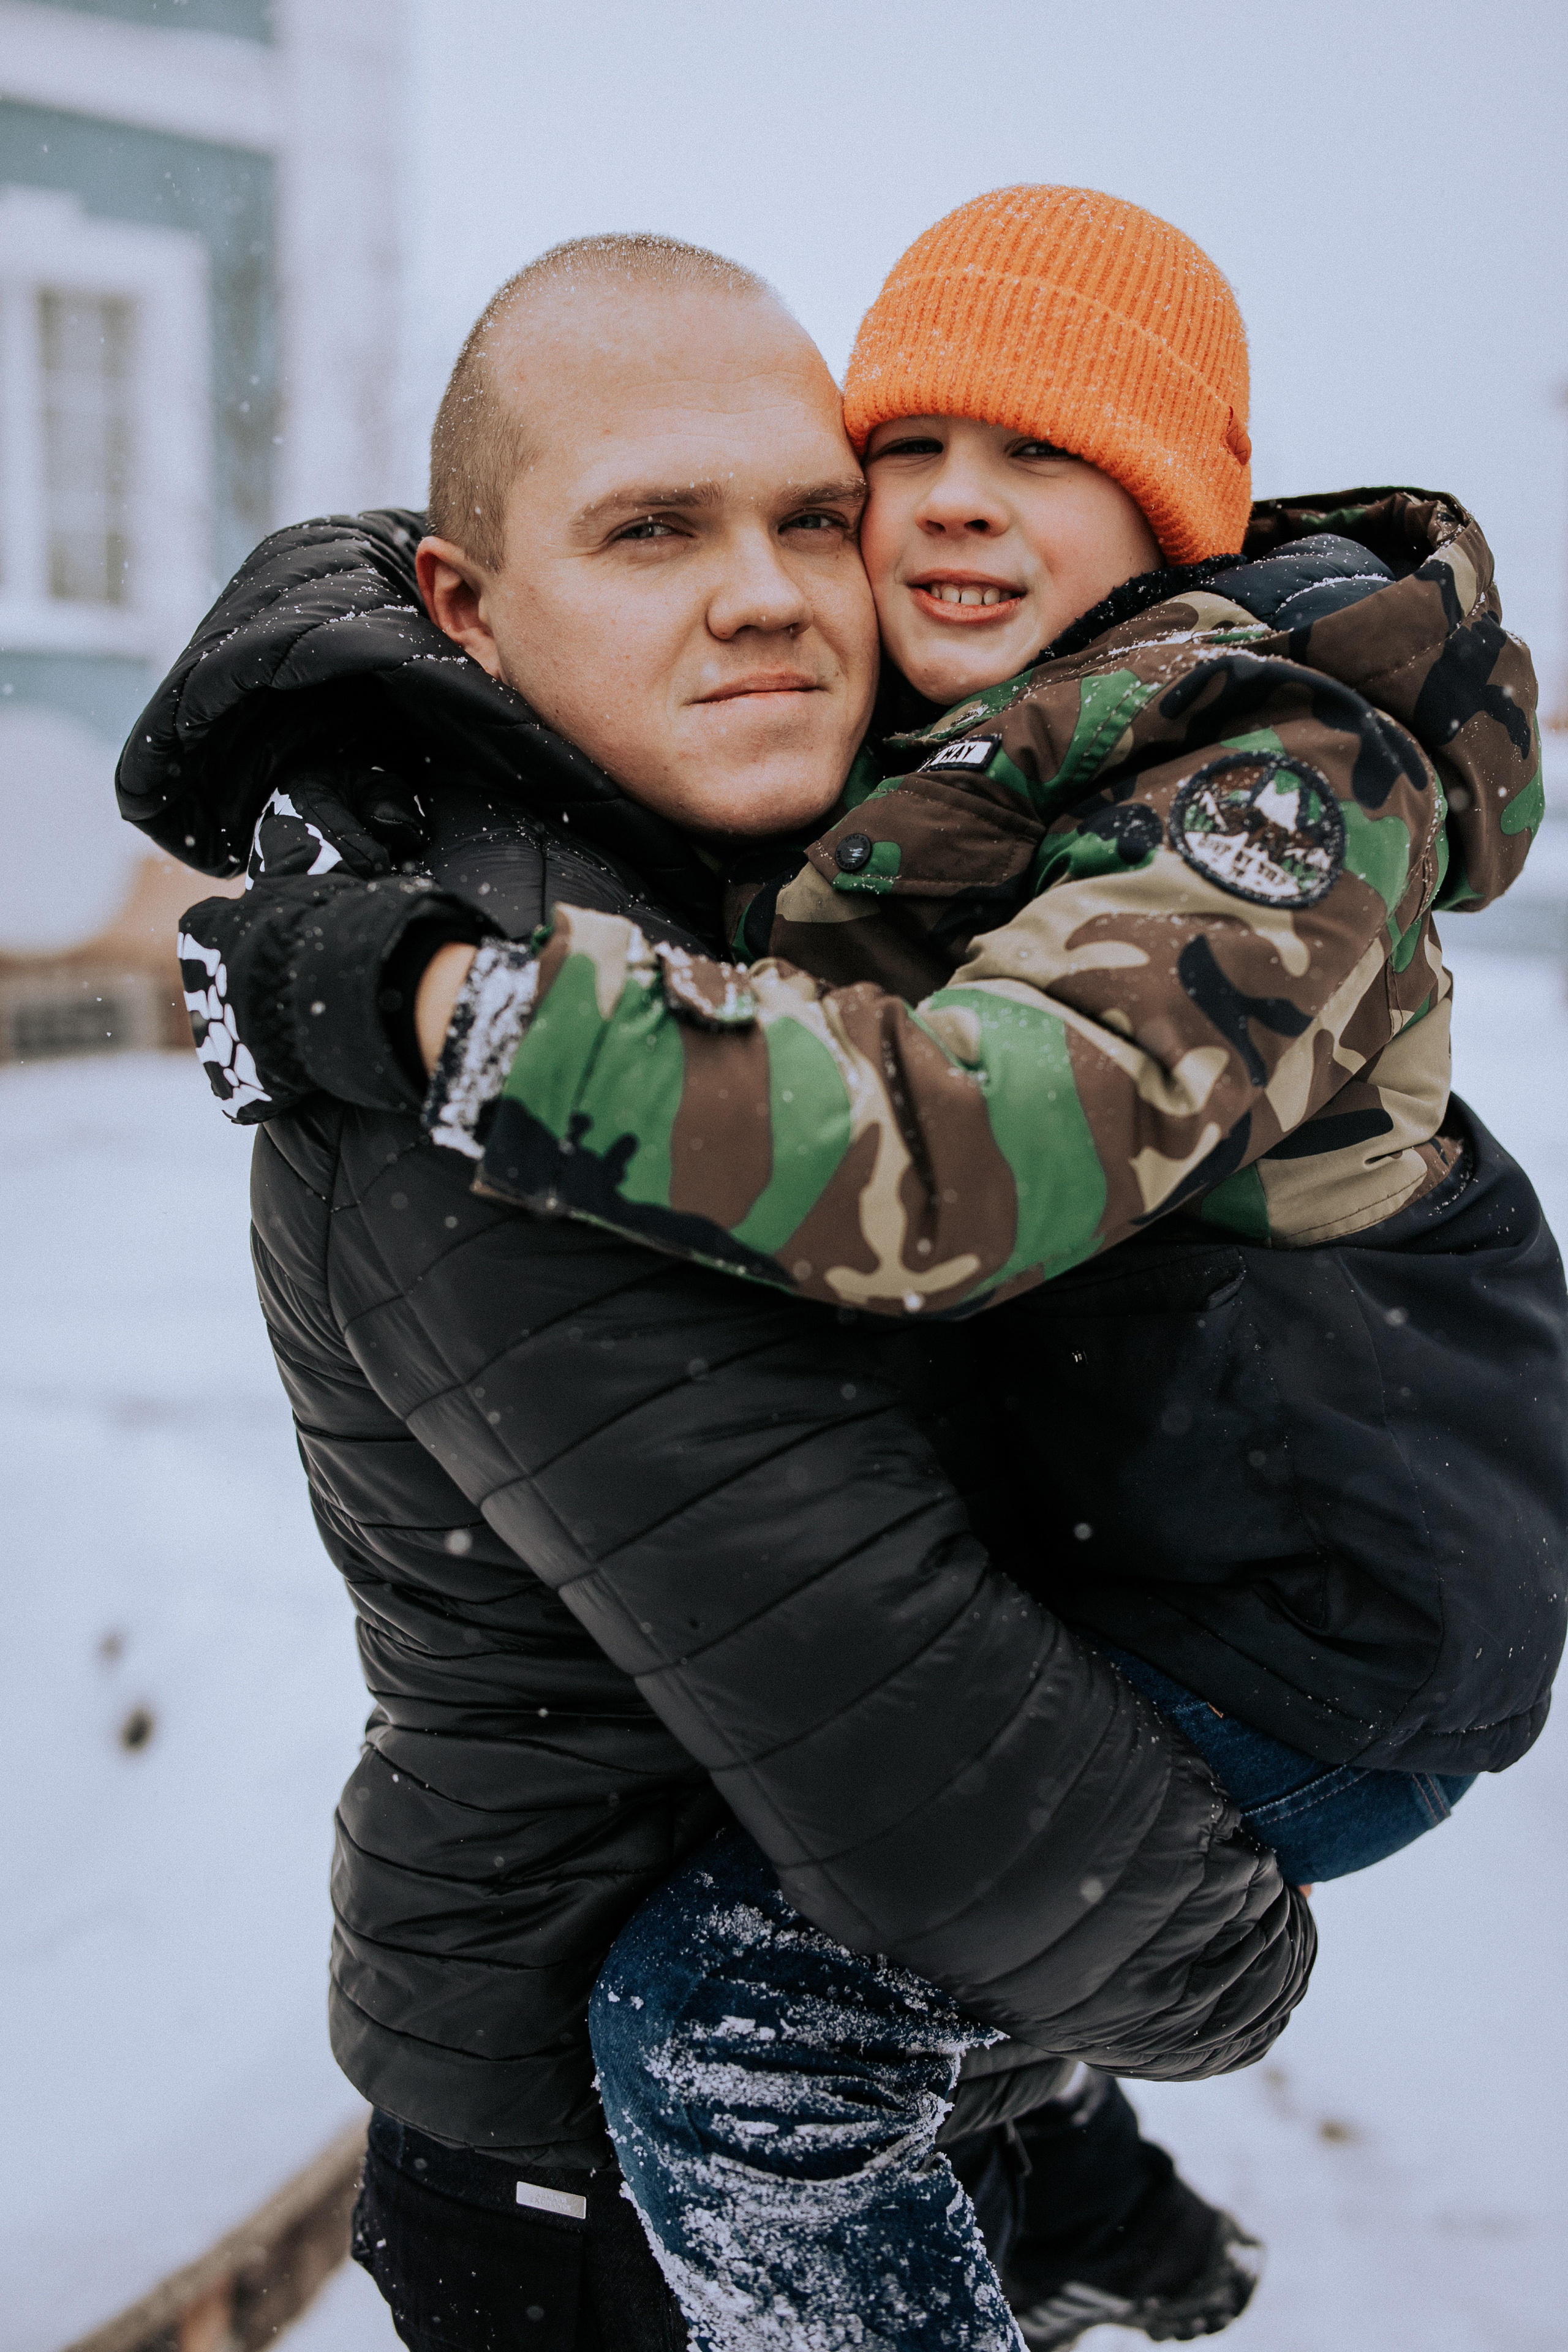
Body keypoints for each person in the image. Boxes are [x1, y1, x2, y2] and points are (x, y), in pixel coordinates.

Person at [378, 195, 1567, 2341]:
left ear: (1175, 497)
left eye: (1038, 455)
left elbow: (973, 1143)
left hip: (1330, 1625)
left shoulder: (1276, 782)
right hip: (1162, 1547)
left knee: (746, 2034)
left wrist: (469, 1010)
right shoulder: (996, 750)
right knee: (888, 1924)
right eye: (904, 456)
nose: (949, 507)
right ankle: (1095, 2221)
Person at [123, 235, 1311, 2352]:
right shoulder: (490, 1059)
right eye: (654, 530)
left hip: (831, 2070)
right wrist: (1221, 1964)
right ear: (466, 608)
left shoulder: (748, 920)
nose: (766, 594)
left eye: (811, 519)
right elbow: (912, 1728)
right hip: (626, 2174)